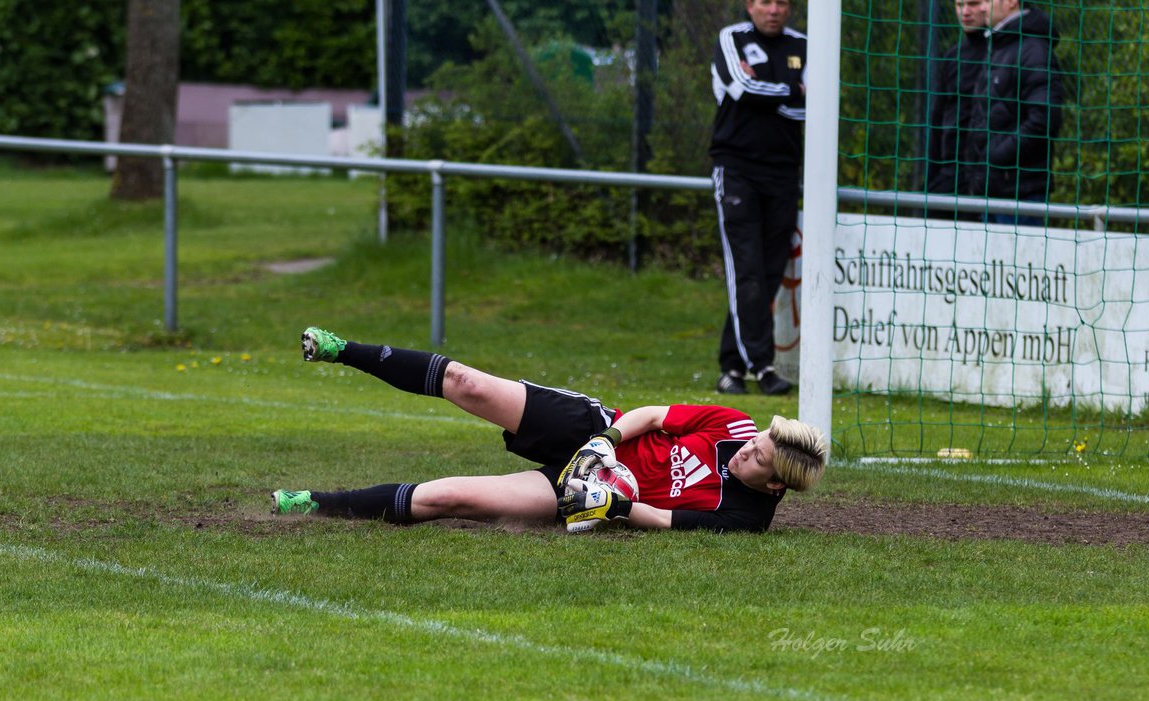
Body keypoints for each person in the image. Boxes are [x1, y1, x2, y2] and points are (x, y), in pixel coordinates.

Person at [271, 327, 828, 533]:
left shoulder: (746, 517)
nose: (745, 453)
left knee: (451, 497)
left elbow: (662, 518)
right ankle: (344, 351)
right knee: (469, 383)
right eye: (754, 446)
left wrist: (607, 501)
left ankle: (313, 504)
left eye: (756, 461)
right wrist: (604, 442)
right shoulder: (734, 424)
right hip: (597, 431)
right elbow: (653, 416)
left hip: (592, 489)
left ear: (776, 485)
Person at [709, 0, 806, 397]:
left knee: (768, 272)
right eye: (766, 1)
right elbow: (739, 86)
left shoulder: (804, 45)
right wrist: (789, 90)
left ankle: (732, 366)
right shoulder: (731, 38)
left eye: (782, 2)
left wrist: (772, 93)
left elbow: (812, 106)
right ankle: (764, 367)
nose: (774, 10)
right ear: (750, 5)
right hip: (737, 170)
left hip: (784, 172)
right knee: (745, 269)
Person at [959, 0, 1064, 225]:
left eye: (988, 1)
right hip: (991, 189)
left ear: (1010, 2)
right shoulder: (1000, 45)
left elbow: (1043, 120)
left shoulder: (1033, 50)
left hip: (1020, 194)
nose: (983, 8)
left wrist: (994, 156)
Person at [925, 0, 992, 209]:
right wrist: (933, 175)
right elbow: (937, 119)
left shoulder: (1004, 54)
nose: (965, 12)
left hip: (986, 176)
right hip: (949, 173)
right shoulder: (953, 57)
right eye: (959, 5)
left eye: (972, 4)